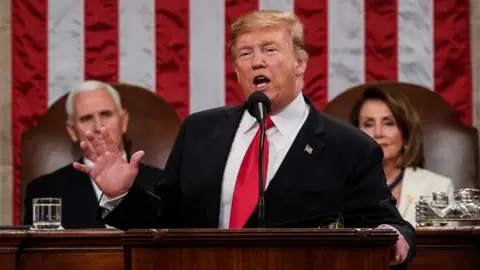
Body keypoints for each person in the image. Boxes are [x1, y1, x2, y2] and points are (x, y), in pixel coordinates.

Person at [74, 11, 414, 267]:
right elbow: (166, 223)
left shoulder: (349, 147)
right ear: (236, 69)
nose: (257, 62)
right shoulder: (199, 132)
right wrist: (121, 194)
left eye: (269, 49)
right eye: (245, 54)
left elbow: (387, 224)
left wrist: (395, 239)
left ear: (300, 63)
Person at [23, 80, 164, 229]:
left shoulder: (162, 184)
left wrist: (119, 196)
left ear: (123, 121)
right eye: (86, 118)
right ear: (72, 131)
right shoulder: (45, 191)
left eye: (106, 114)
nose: (98, 126)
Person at [349, 87, 455, 226]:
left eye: (388, 123)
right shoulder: (338, 189)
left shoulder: (438, 187)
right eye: (368, 124)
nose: (378, 133)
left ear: (405, 135)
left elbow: (449, 246)